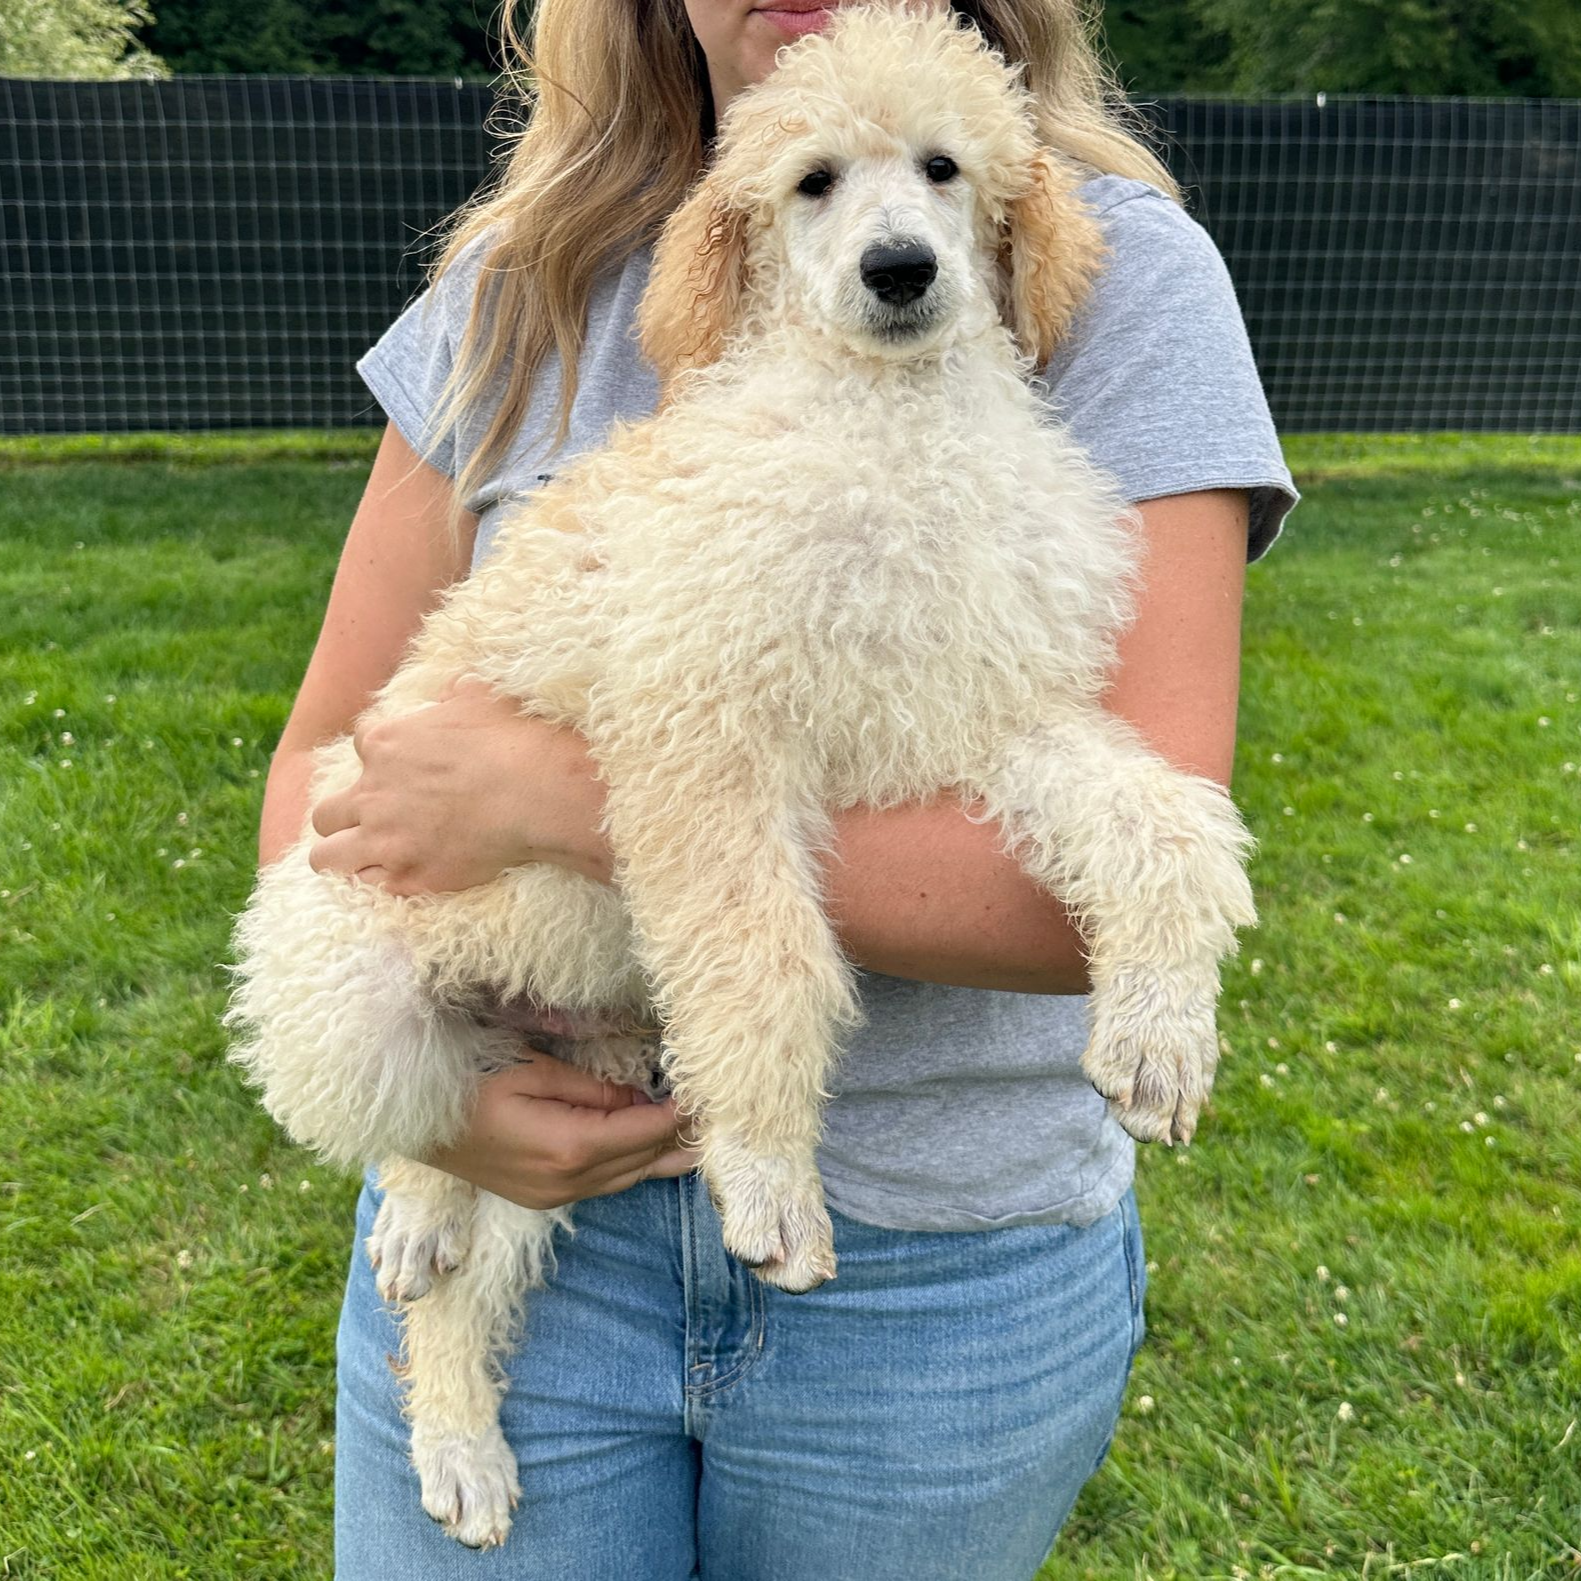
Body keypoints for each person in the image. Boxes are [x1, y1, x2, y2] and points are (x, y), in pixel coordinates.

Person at [256, 0, 1298, 1574]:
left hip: (937, 1288)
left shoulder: (1130, 280)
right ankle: (448, 1370)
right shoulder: (520, 282)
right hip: (522, 1142)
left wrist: (557, 800)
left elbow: (1045, 767)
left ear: (999, 204)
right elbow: (333, 758)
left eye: (939, 173)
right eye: (818, 185)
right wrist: (437, 1117)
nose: (888, 228)